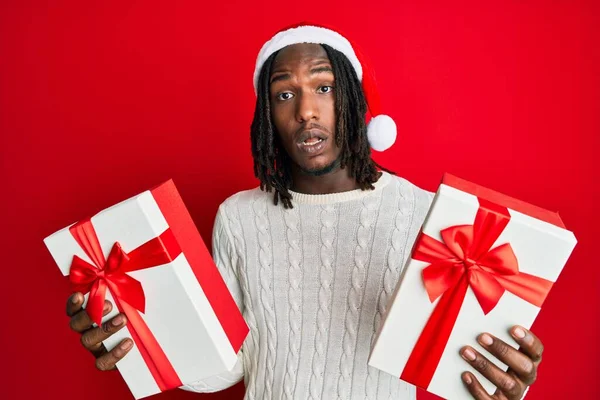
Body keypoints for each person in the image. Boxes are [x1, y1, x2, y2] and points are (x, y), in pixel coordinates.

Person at [65, 23, 544, 400]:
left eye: (324, 87)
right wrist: (130, 339)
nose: (306, 112)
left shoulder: (423, 215)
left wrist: (504, 377)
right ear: (267, 117)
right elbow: (228, 367)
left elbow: (460, 364)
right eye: (285, 94)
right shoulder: (238, 218)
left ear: (353, 103)